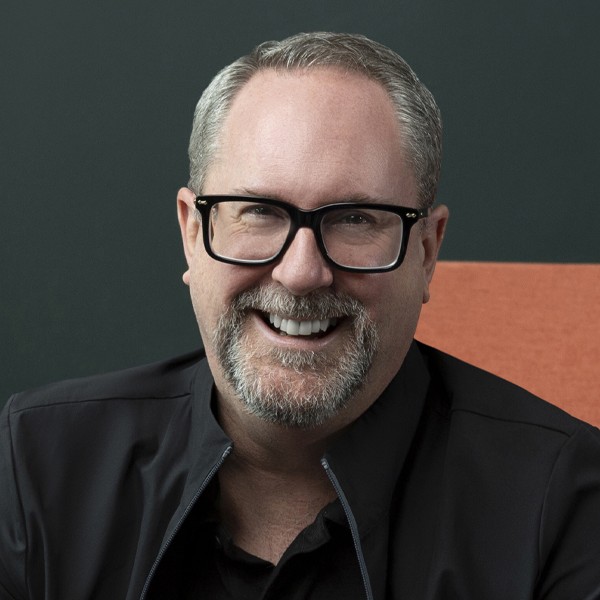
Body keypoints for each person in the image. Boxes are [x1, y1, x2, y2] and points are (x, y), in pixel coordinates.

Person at [1, 32, 599, 600]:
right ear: (192, 234)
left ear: (426, 251)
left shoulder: (563, 504)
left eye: (355, 219)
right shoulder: (35, 465)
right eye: (259, 211)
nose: (301, 272)